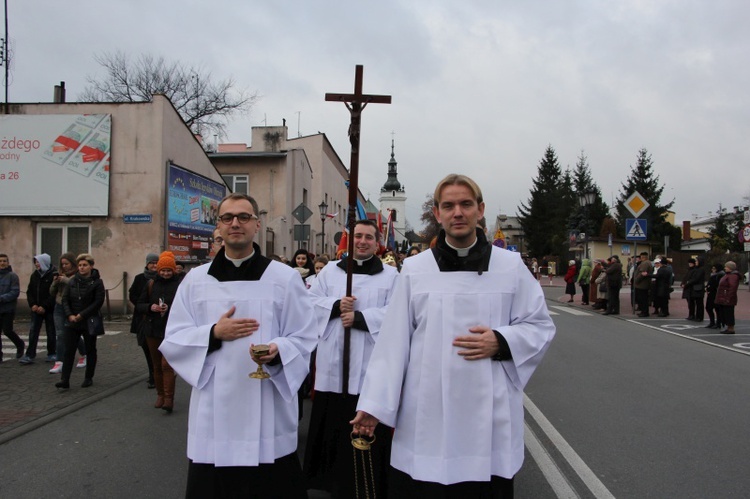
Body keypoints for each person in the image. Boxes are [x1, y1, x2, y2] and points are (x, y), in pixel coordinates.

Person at [351, 174, 555, 496]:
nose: (457, 212)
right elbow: (393, 344)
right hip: (427, 411)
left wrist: (501, 341)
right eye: (448, 205)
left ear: (480, 210)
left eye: (465, 204)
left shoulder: (510, 267)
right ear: (437, 214)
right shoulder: (416, 270)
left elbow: (540, 326)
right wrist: (375, 405)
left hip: (490, 416)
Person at [159, 193, 317, 498]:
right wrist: (213, 333)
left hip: (266, 403)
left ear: (256, 225)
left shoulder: (284, 278)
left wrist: (278, 351)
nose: (235, 223)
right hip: (214, 407)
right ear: (217, 226)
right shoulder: (195, 280)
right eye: (227, 217)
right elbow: (175, 337)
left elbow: (305, 335)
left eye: (244, 217)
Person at [303, 219, 399, 498]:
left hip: (370, 365)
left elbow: (399, 314)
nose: (363, 241)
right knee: (333, 426)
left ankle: (370, 483)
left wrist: (361, 318)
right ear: (349, 240)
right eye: (358, 236)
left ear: (377, 242)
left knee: (368, 427)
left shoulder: (392, 276)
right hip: (334, 365)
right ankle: (332, 481)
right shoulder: (331, 273)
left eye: (369, 237)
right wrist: (334, 305)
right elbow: (307, 303)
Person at [137, 251, 181, 412]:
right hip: (152, 328)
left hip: (171, 330)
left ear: (173, 270)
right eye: (163, 270)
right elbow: (139, 304)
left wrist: (171, 309)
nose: (166, 273)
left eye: (169, 270)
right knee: (156, 365)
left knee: (166, 365)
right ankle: (160, 395)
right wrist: (151, 307)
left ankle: (169, 399)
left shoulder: (180, 285)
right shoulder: (151, 284)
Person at [56, 253, 105, 389]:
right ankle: (65, 379)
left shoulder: (97, 282)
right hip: (73, 321)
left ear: (91, 266)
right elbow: (65, 299)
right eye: (80, 265)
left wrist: (81, 315)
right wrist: (70, 315)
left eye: (85, 265)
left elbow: (98, 302)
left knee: (90, 349)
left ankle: (88, 377)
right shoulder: (72, 281)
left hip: (89, 320)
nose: (82, 268)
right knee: (69, 350)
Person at [49, 253, 87, 374]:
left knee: (71, 333)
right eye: (62, 264)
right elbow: (51, 292)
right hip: (59, 306)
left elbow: (77, 288)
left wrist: (65, 280)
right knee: (60, 333)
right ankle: (59, 361)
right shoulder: (60, 275)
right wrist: (55, 282)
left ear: (72, 263)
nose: (65, 266)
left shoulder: (77, 275)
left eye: (67, 264)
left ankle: (85, 353)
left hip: (72, 308)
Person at [19, 254, 57, 364]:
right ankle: (30, 354)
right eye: (35, 262)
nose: (36, 264)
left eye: (38, 262)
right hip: (36, 309)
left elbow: (54, 294)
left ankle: (52, 353)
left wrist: (44, 306)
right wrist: (32, 304)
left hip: (49, 309)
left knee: (51, 331)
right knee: (33, 331)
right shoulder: (35, 275)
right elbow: (29, 291)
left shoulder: (53, 275)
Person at [129, 253, 159, 389]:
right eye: (151, 263)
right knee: (146, 347)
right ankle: (152, 375)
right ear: (147, 264)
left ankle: (159, 374)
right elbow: (133, 295)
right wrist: (145, 307)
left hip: (158, 319)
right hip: (143, 318)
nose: (154, 265)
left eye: (156, 262)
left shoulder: (162, 278)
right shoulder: (139, 278)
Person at [0, 254, 25, 361]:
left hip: (8, 309)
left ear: (8, 263)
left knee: (7, 331)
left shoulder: (12, 276)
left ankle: (20, 344)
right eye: (0, 261)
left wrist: (2, 298)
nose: (2, 263)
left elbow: (15, 292)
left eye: (4, 261)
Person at [715, 261, 740, 334]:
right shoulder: (728, 275)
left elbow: (732, 288)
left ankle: (730, 328)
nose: (725, 268)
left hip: (728, 298)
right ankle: (728, 327)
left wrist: (728, 298)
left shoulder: (733, 276)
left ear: (730, 268)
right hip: (724, 297)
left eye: (726, 266)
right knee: (725, 313)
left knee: (729, 313)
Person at [685, 257, 706, 322]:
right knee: (696, 302)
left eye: (697, 261)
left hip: (698, 288)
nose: (696, 262)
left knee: (699, 303)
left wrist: (688, 283)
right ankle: (696, 316)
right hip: (695, 288)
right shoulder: (697, 269)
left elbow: (696, 278)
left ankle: (699, 317)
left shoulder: (701, 269)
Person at [705, 264, 725, 329]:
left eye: (714, 268)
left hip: (716, 294)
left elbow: (716, 285)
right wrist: (707, 287)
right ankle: (712, 322)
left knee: (717, 309)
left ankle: (718, 323)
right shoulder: (713, 275)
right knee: (709, 308)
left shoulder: (720, 276)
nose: (712, 270)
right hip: (711, 294)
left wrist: (710, 287)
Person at [633, 252, 653, 317]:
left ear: (643, 257)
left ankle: (644, 312)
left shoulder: (645, 263)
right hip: (643, 284)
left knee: (642, 299)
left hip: (642, 284)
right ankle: (643, 311)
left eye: (640, 257)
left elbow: (642, 273)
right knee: (642, 299)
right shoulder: (648, 263)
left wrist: (636, 280)